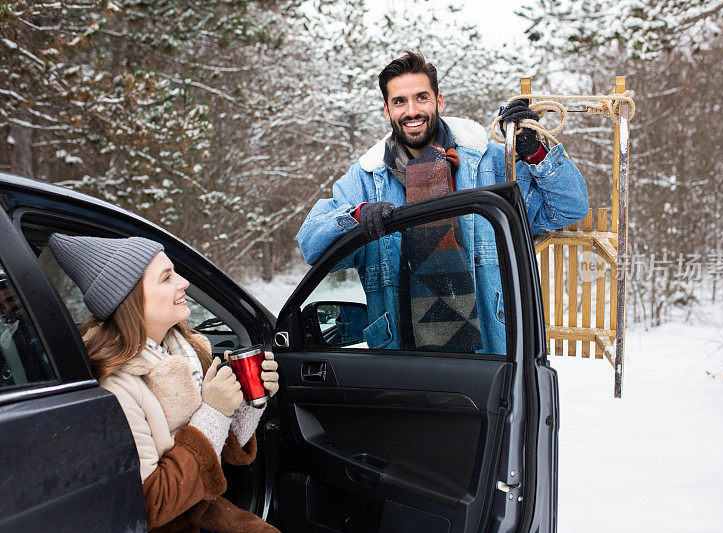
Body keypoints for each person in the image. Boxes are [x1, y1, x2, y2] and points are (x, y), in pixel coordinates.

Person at [296, 51, 589, 354]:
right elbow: (311, 246)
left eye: (421, 97)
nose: (411, 110)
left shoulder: (489, 164)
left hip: (490, 355)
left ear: (439, 101)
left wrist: (534, 152)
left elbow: (569, 207)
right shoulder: (367, 181)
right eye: (400, 101)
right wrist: (355, 215)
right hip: (400, 362)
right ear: (387, 110)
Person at [48, 234, 280, 533]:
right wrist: (214, 411)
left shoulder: (187, 353)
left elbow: (220, 453)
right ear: (130, 299)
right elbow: (151, 505)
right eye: (167, 277)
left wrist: (249, 401)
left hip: (202, 509)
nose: (183, 282)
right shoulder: (115, 387)